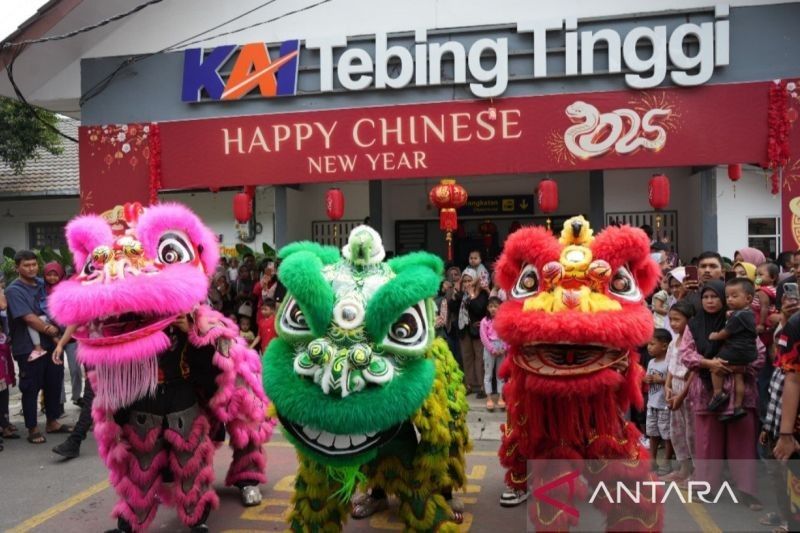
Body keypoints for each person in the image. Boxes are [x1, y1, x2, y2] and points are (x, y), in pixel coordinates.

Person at [680, 280, 764, 511]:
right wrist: (709, 363)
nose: (710, 301)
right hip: (707, 392)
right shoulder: (694, 325)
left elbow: (759, 353)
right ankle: (707, 488)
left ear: (725, 298)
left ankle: (747, 491)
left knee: (743, 443)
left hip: (741, 392)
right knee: (707, 444)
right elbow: (685, 354)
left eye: (715, 297)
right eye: (705, 297)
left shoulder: (738, 319)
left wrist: (736, 367)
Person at [6, 250, 71, 444]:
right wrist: (50, 330)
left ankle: (52, 421)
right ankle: (32, 427)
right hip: (28, 347)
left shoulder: (44, 284)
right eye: (26, 265)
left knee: (54, 382)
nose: (31, 268)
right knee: (30, 387)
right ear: (17, 267)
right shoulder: (13, 290)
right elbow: (28, 317)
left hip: (52, 346)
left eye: (34, 264)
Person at [707, 278, 758, 422]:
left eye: (734, 296)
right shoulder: (748, 314)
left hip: (736, 350)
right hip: (748, 352)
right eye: (727, 296)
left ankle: (718, 394)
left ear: (748, 298)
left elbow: (726, 332)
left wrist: (715, 336)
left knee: (715, 365)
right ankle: (737, 407)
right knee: (738, 375)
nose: (729, 300)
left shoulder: (738, 316)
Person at [663, 300, 695, 482]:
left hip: (687, 389)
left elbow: (693, 371)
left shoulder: (694, 341)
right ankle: (684, 468)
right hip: (674, 386)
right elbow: (670, 367)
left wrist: (681, 394)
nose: (673, 324)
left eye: (677, 319)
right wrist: (667, 386)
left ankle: (697, 470)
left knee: (692, 431)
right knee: (677, 430)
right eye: (671, 319)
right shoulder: (674, 340)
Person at [43, 262, 83, 407]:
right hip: (53, 338)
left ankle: (77, 396)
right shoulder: (42, 291)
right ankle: (59, 401)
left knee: (75, 369)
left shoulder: (67, 289)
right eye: (49, 275)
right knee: (56, 371)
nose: (52, 278)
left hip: (71, 337)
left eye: (55, 274)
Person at [454, 268, 488, 397]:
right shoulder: (461, 295)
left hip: (477, 330)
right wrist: (456, 292)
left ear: (474, 281)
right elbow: (452, 307)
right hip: (464, 330)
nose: (467, 284)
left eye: (470, 281)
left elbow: (479, 309)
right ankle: (469, 385)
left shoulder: (481, 293)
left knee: (480, 358)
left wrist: (472, 294)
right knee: (467, 358)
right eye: (465, 281)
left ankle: (482, 386)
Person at [645, 328, 673, 474]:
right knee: (652, 433)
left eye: (652, 344)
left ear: (664, 346)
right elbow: (646, 377)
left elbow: (672, 382)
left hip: (665, 405)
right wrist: (646, 379)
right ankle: (652, 460)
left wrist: (661, 380)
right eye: (648, 344)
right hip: (652, 404)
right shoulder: (651, 362)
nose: (649, 347)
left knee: (667, 434)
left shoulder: (669, 363)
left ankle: (667, 462)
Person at [479, 296, 507, 411]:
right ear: (487, 308)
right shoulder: (485, 321)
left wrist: (505, 347)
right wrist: (492, 349)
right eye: (491, 306)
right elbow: (484, 337)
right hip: (490, 348)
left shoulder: (504, 321)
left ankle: (501, 397)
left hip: (501, 347)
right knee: (488, 374)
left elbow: (507, 335)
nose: (493, 309)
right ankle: (489, 398)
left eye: (495, 306)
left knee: (500, 375)